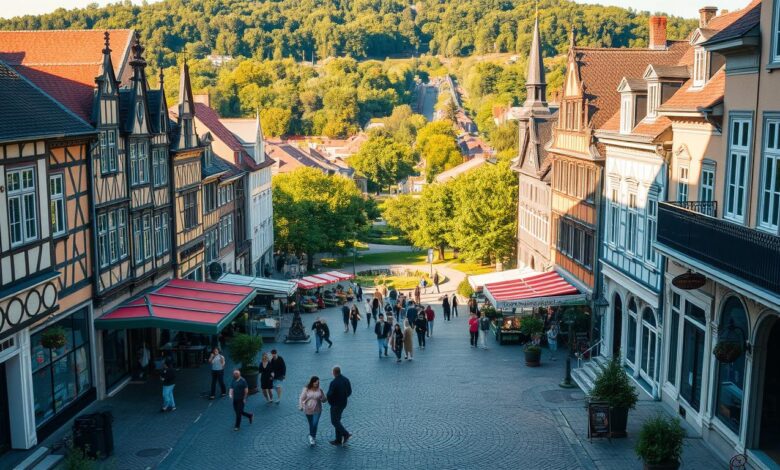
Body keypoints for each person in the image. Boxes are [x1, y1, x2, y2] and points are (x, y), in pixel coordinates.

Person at [326, 366, 352, 446]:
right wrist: (344, 397)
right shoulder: (346, 380)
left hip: (335, 405)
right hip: (343, 403)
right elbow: (349, 392)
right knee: (337, 421)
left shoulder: (334, 382)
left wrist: (331, 403)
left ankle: (346, 434)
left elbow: (329, 395)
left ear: (333, 373)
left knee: (334, 421)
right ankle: (338, 440)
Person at [299, 376, 327, 446]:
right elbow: (301, 398)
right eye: (315, 383)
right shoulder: (306, 389)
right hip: (308, 409)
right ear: (312, 382)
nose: (316, 384)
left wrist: (324, 398)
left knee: (315, 423)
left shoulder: (320, 390)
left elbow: (324, 400)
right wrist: (301, 406)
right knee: (311, 424)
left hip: (318, 409)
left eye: (317, 383)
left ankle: (311, 436)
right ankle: (313, 437)